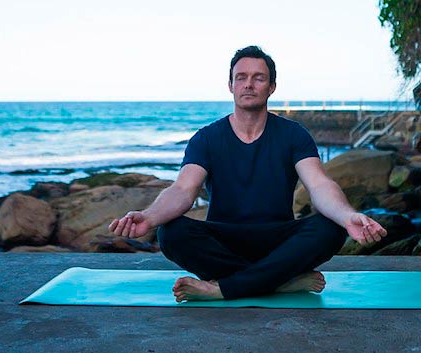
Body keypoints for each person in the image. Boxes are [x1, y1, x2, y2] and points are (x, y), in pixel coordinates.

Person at [108, 45, 387, 302]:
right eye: (241, 77)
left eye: (258, 78)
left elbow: (319, 184)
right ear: (230, 85)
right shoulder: (206, 139)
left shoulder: (293, 135)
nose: (249, 84)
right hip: (223, 240)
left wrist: (347, 215)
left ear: (272, 86)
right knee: (170, 233)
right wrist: (150, 216)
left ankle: (226, 287)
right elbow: (183, 190)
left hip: (278, 240)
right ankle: (277, 282)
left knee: (331, 227)